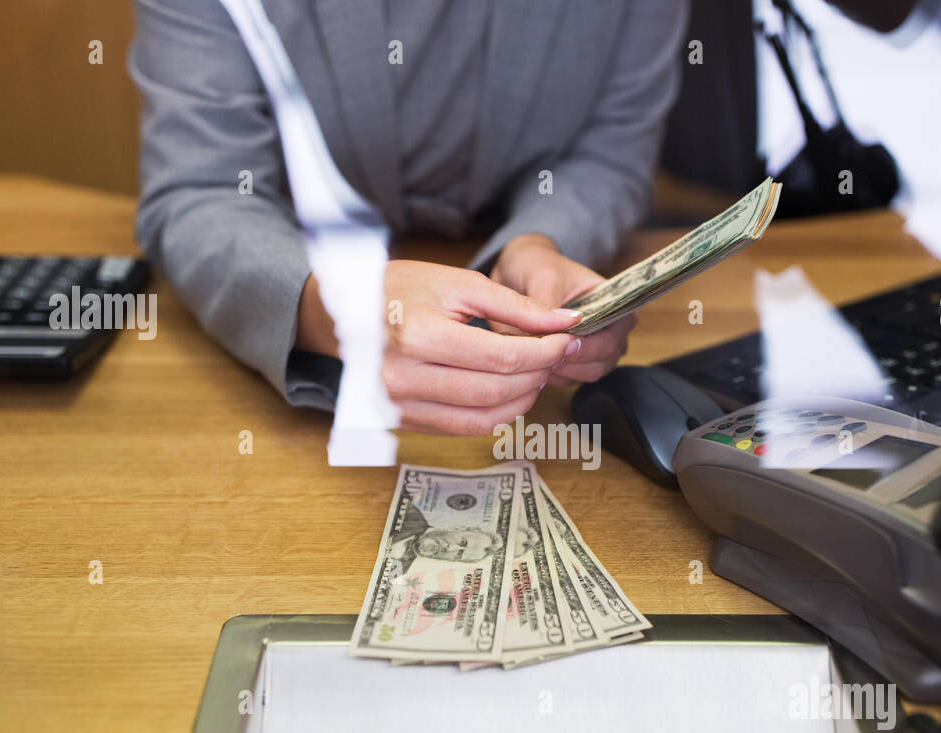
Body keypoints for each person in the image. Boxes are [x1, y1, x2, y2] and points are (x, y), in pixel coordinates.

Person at [130, 0, 688, 434]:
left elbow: (609, 152)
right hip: (291, 348)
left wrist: (541, 243)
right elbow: (203, 188)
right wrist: (331, 309)